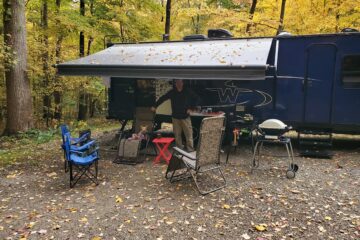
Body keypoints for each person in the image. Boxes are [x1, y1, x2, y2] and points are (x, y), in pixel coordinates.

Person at [151, 79, 200, 151]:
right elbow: (163, 98)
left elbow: (197, 98)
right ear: (175, 84)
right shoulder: (172, 92)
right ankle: (179, 150)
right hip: (175, 117)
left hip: (185, 117)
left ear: (182, 83)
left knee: (189, 135)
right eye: (177, 82)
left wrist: (192, 108)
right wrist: (155, 106)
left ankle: (190, 150)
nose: (178, 83)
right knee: (177, 135)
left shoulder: (187, 91)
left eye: (180, 82)